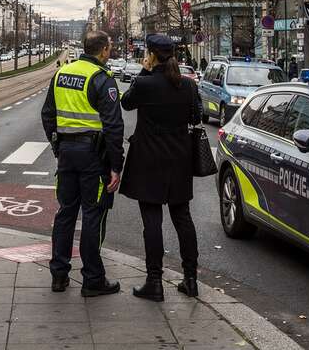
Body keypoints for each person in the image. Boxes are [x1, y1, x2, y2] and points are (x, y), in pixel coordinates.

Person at [42, 30, 125, 297]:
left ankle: (58, 274)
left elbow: (47, 115)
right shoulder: (102, 78)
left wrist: (57, 146)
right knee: (92, 215)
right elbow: (113, 127)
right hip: (93, 156)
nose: (110, 51)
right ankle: (92, 278)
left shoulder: (62, 74)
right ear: (102, 51)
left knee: (65, 213)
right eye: (109, 48)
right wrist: (116, 165)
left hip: (66, 152)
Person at [120, 34, 202, 301]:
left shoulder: (145, 83)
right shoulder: (187, 86)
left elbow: (126, 103)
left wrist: (144, 70)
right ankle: (191, 280)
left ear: (152, 54)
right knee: (183, 219)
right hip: (179, 159)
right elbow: (196, 116)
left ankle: (154, 281)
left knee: (152, 221)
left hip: (148, 160)